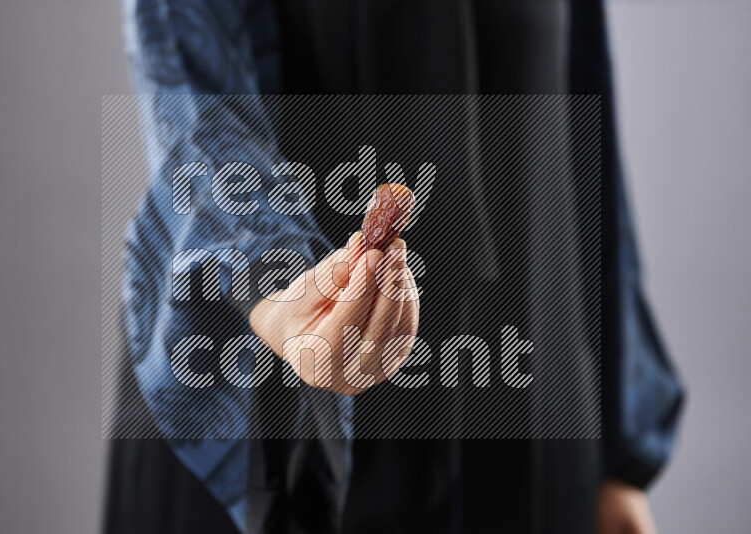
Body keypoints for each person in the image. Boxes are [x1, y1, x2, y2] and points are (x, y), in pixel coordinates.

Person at [104, 1, 684, 533]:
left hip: (524, 419)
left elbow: (585, 119)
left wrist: (621, 450)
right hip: (274, 408)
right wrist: (272, 275)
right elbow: (191, 97)